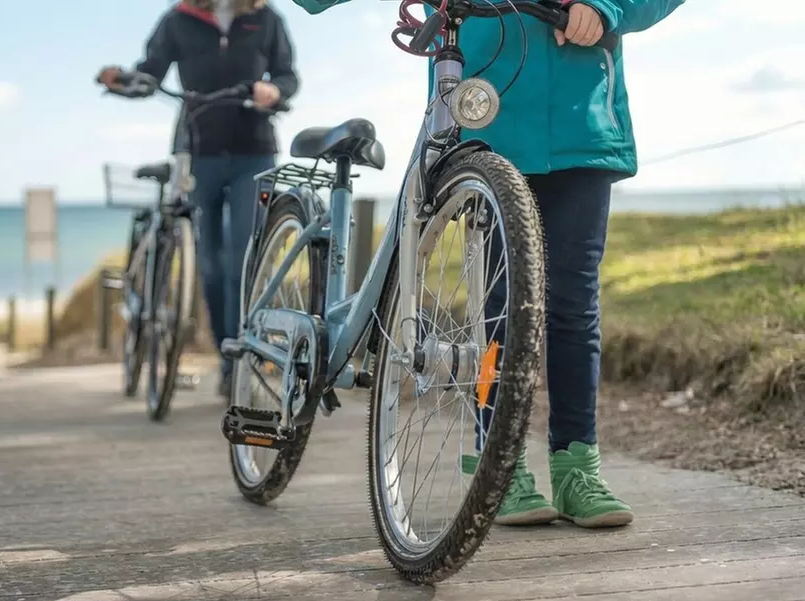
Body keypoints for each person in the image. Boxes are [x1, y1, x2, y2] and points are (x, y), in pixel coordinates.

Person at [288, 0, 684, 528]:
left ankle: (577, 469)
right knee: (498, 307)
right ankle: (499, 462)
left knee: (574, 303)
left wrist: (606, 8)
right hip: (487, 115)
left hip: (581, 123)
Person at [97, 0, 300, 398]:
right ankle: (227, 356)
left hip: (253, 150)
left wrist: (274, 90)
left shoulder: (266, 18)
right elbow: (151, 71)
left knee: (243, 259)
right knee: (210, 264)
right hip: (196, 149)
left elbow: (287, 74)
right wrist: (123, 81)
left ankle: (241, 361)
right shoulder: (178, 19)